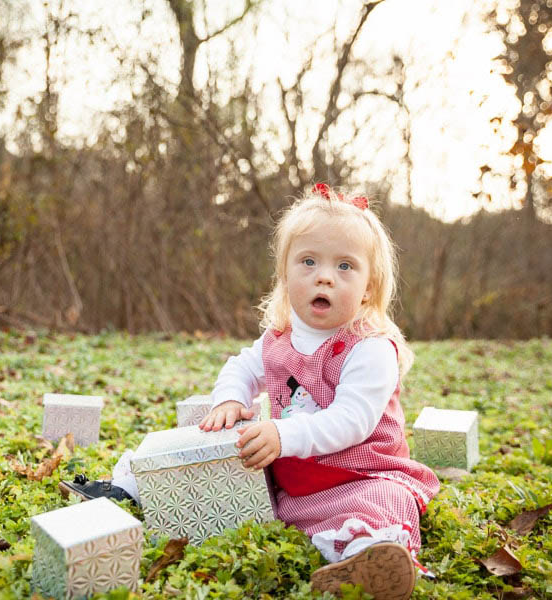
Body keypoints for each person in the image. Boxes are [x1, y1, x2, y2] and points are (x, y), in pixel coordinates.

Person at [61, 184, 440, 600]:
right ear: (285, 275)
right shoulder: (279, 339)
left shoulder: (369, 348)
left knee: (382, 502)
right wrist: (231, 398)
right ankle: (131, 488)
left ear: (369, 287)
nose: (325, 276)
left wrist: (284, 435)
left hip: (358, 476)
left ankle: (368, 558)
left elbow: (353, 420)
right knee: (217, 453)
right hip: (291, 479)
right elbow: (241, 367)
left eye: (345, 266)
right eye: (308, 261)